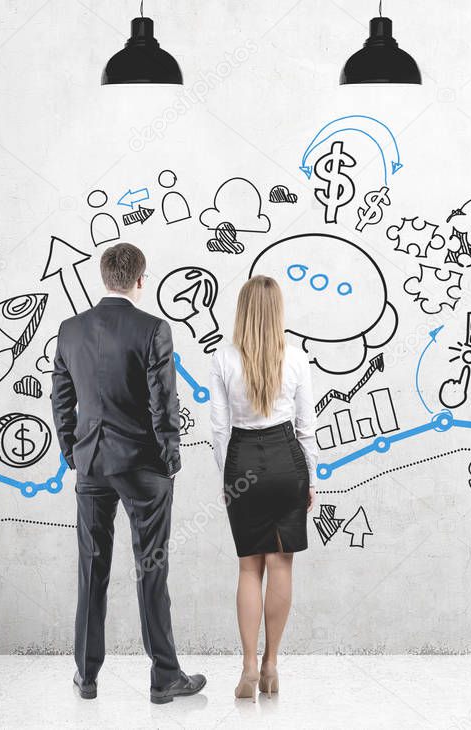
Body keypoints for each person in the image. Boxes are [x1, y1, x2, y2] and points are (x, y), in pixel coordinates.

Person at [50, 242, 206, 705]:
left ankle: (86, 676)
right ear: (141, 280)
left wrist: (70, 450)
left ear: (105, 278)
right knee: (151, 570)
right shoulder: (153, 328)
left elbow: (61, 397)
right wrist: (171, 457)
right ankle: (164, 678)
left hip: (91, 464)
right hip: (143, 466)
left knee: (91, 568)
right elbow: (164, 400)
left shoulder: (70, 329)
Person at [208, 275, 318, 700]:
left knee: (248, 567)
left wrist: (227, 477)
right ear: (278, 313)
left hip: (243, 461)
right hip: (286, 459)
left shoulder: (222, 358)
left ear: (242, 310)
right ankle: (272, 663)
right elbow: (306, 429)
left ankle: (248, 666)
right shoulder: (296, 358)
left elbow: (219, 429)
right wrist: (311, 479)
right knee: (282, 564)